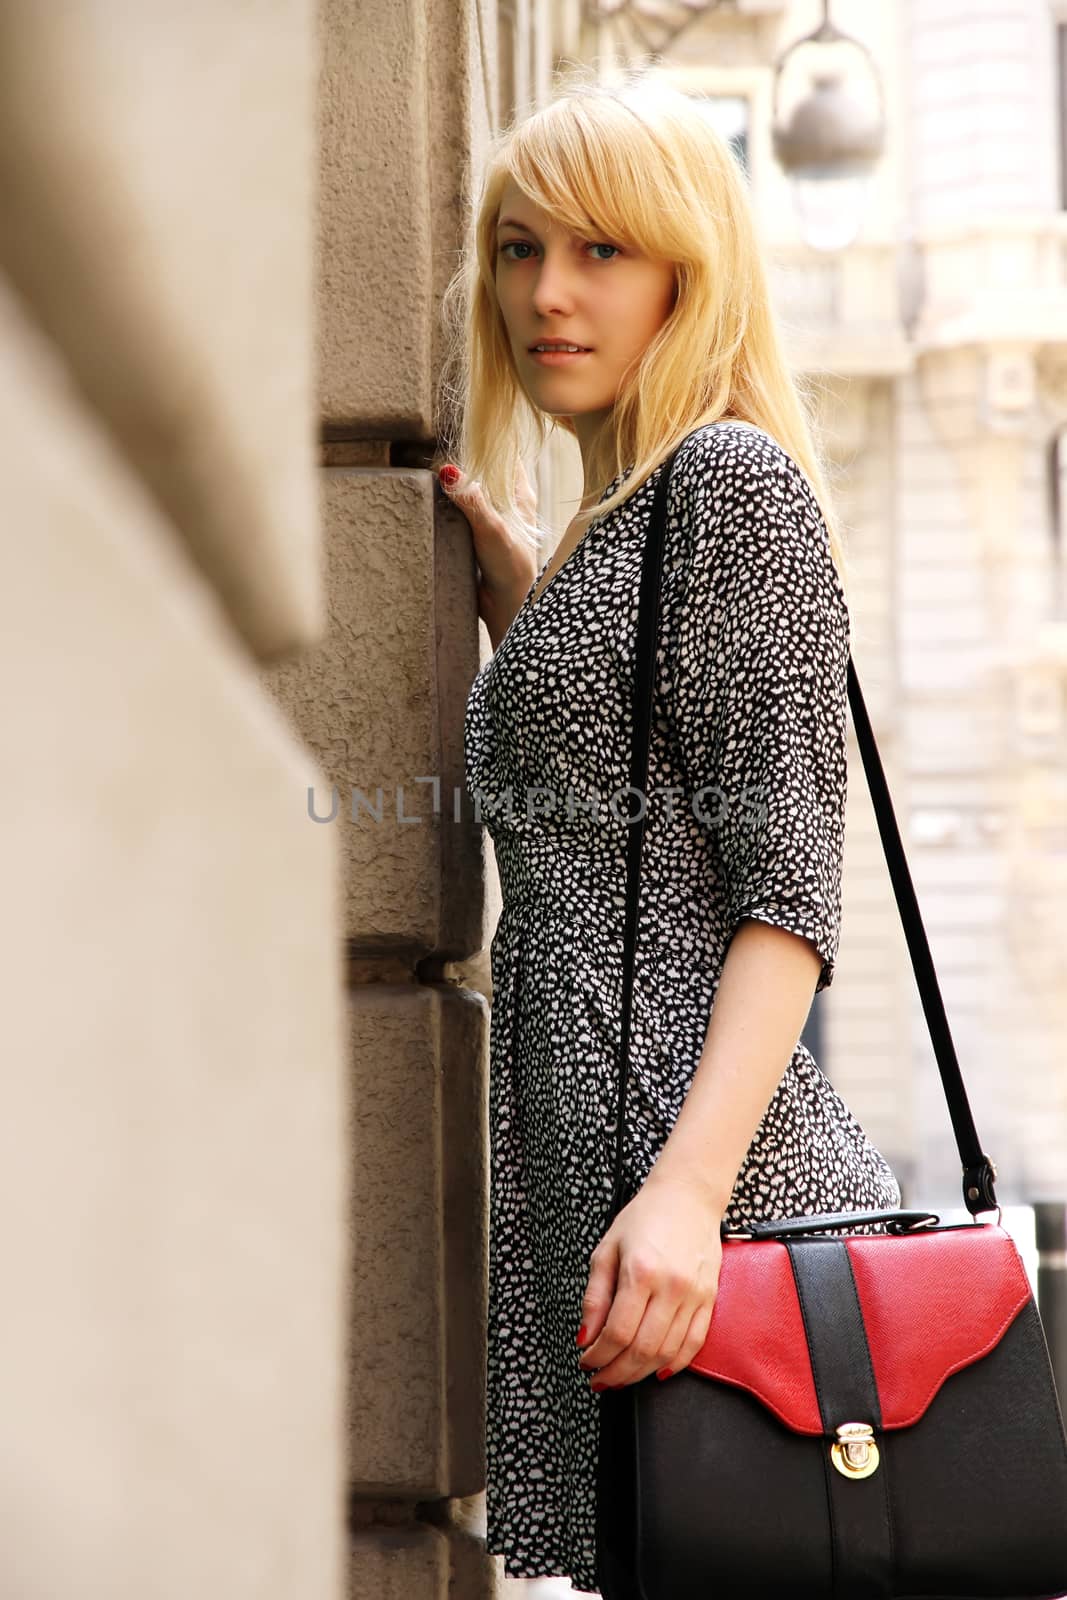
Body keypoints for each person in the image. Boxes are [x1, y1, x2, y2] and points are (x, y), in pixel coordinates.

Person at [435, 68, 902, 1598]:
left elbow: (787, 898)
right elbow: (612, 794)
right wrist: (532, 605)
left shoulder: (730, 487)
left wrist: (691, 1198)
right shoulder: (619, 524)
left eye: (598, 253)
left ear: (686, 277)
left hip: (709, 1199)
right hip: (614, 1199)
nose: (545, 294)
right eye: (517, 250)